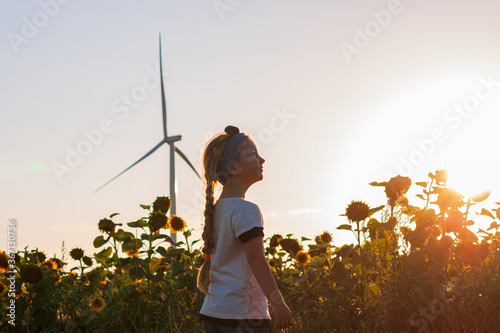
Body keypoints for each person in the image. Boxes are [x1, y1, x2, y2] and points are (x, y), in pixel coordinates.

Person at [197, 125, 294, 333]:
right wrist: (277, 303)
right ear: (234, 168)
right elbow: (256, 259)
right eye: (253, 154)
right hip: (243, 316)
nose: (262, 160)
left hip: (213, 313)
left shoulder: (217, 210)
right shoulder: (245, 210)